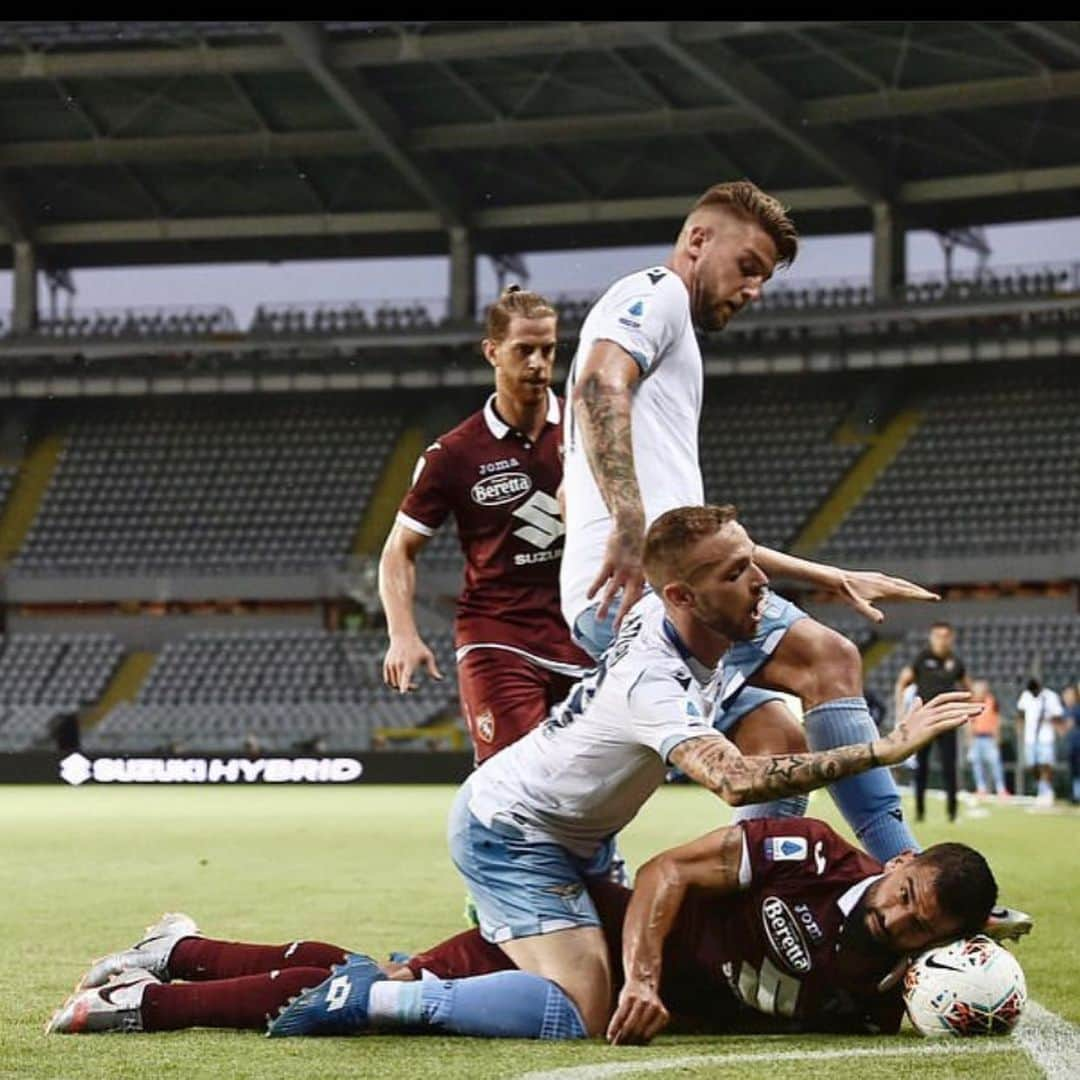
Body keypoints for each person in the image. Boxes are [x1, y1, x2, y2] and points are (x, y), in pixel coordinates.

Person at [230, 505, 974, 1044]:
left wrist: (830, 575)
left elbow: (716, 568)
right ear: (683, 595)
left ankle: (221, 965)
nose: (759, 584)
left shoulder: (676, 609)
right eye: (737, 573)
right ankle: (378, 999)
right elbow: (737, 782)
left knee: (774, 721)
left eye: (753, 563)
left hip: (581, 837)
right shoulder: (656, 681)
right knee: (582, 1008)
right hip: (511, 833)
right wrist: (885, 748)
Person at [559, 178, 938, 862]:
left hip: (640, 585)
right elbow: (597, 382)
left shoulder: (671, 343)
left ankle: (755, 916)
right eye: (748, 267)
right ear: (698, 241)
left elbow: (696, 543)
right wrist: (627, 518)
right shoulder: (658, 293)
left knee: (779, 744)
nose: (755, 289)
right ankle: (904, 870)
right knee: (829, 659)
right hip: (642, 589)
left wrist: (828, 573)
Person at [50, 819, 1006, 1042]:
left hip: (584, 968)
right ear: (897, 865)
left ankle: (173, 950)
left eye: (920, 926)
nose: (897, 918)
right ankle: (148, 1002)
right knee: (363, 992)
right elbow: (669, 869)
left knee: (364, 971)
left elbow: (950, 988)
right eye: (905, 893)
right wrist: (638, 977)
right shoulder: (808, 852)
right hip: (576, 938)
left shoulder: (892, 989)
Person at [379, 286, 593, 762]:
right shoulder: (454, 454)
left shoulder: (592, 430)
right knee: (517, 783)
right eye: (524, 350)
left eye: (548, 350)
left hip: (584, 631)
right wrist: (402, 633)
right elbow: (399, 550)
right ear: (492, 352)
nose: (538, 363)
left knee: (587, 793)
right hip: (498, 633)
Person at [894, 622, 972, 824]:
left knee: (949, 768)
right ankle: (920, 812)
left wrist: (967, 712)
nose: (941, 640)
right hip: (925, 721)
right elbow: (902, 682)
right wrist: (902, 712)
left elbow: (968, 688)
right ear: (931, 637)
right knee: (922, 767)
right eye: (937, 635)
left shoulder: (956, 663)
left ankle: (952, 813)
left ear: (951, 638)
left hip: (947, 721)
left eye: (945, 636)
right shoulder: (922, 659)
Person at [1015, 677, 1063, 807]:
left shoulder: (1050, 696)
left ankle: (1046, 792)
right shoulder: (1026, 696)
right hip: (1030, 737)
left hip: (1045, 736)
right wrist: (1019, 728)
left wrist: (1054, 724)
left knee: (1046, 764)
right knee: (1033, 765)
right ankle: (1042, 789)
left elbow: (1058, 714)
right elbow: (1020, 713)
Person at [967, 678, 1008, 800]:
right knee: (977, 764)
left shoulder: (992, 701)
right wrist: (969, 740)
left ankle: (1001, 788)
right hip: (976, 738)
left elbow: (997, 721)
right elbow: (970, 723)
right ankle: (981, 788)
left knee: (995, 764)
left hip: (989, 738)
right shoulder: (972, 702)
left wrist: (997, 738)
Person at [1063, 684, 1080, 805]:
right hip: (1072, 745)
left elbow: (1069, 725)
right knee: (1074, 771)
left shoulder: (1076, 709)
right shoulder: (1068, 709)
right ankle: (1076, 794)